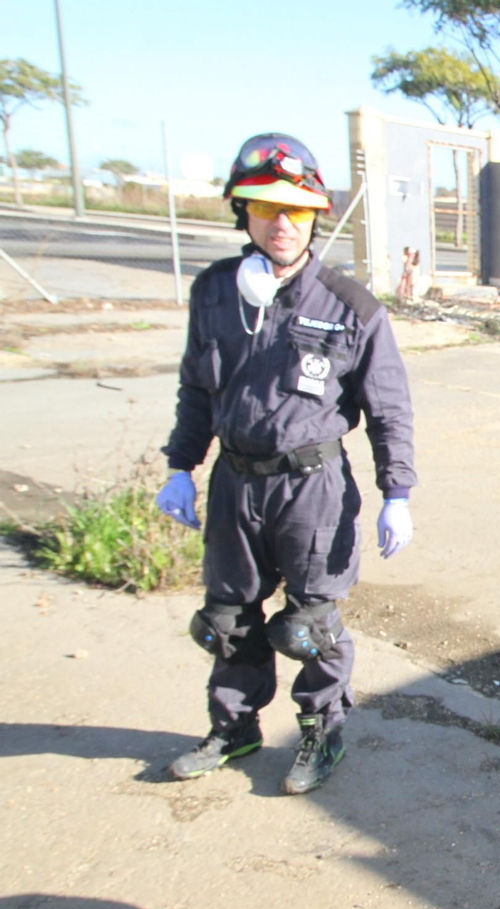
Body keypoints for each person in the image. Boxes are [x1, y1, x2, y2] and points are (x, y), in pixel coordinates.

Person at [155, 133, 417, 795]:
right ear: (240, 211)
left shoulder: (349, 306)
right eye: (266, 208)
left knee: (312, 623)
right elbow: (196, 387)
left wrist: (397, 491)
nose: (281, 224)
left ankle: (321, 732)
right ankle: (234, 725)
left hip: (312, 489)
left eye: (296, 211)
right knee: (228, 615)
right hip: (235, 484)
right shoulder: (217, 293)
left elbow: (388, 407)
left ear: (315, 215)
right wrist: (181, 465)